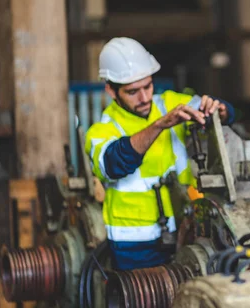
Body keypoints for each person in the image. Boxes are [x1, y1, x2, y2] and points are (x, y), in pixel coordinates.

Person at [85, 37, 235, 270]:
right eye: (133, 91)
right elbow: (115, 163)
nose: (144, 98)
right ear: (111, 91)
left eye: (148, 86)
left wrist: (220, 111)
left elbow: (222, 111)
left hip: (187, 228)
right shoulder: (102, 130)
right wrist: (159, 125)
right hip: (135, 244)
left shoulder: (170, 103)